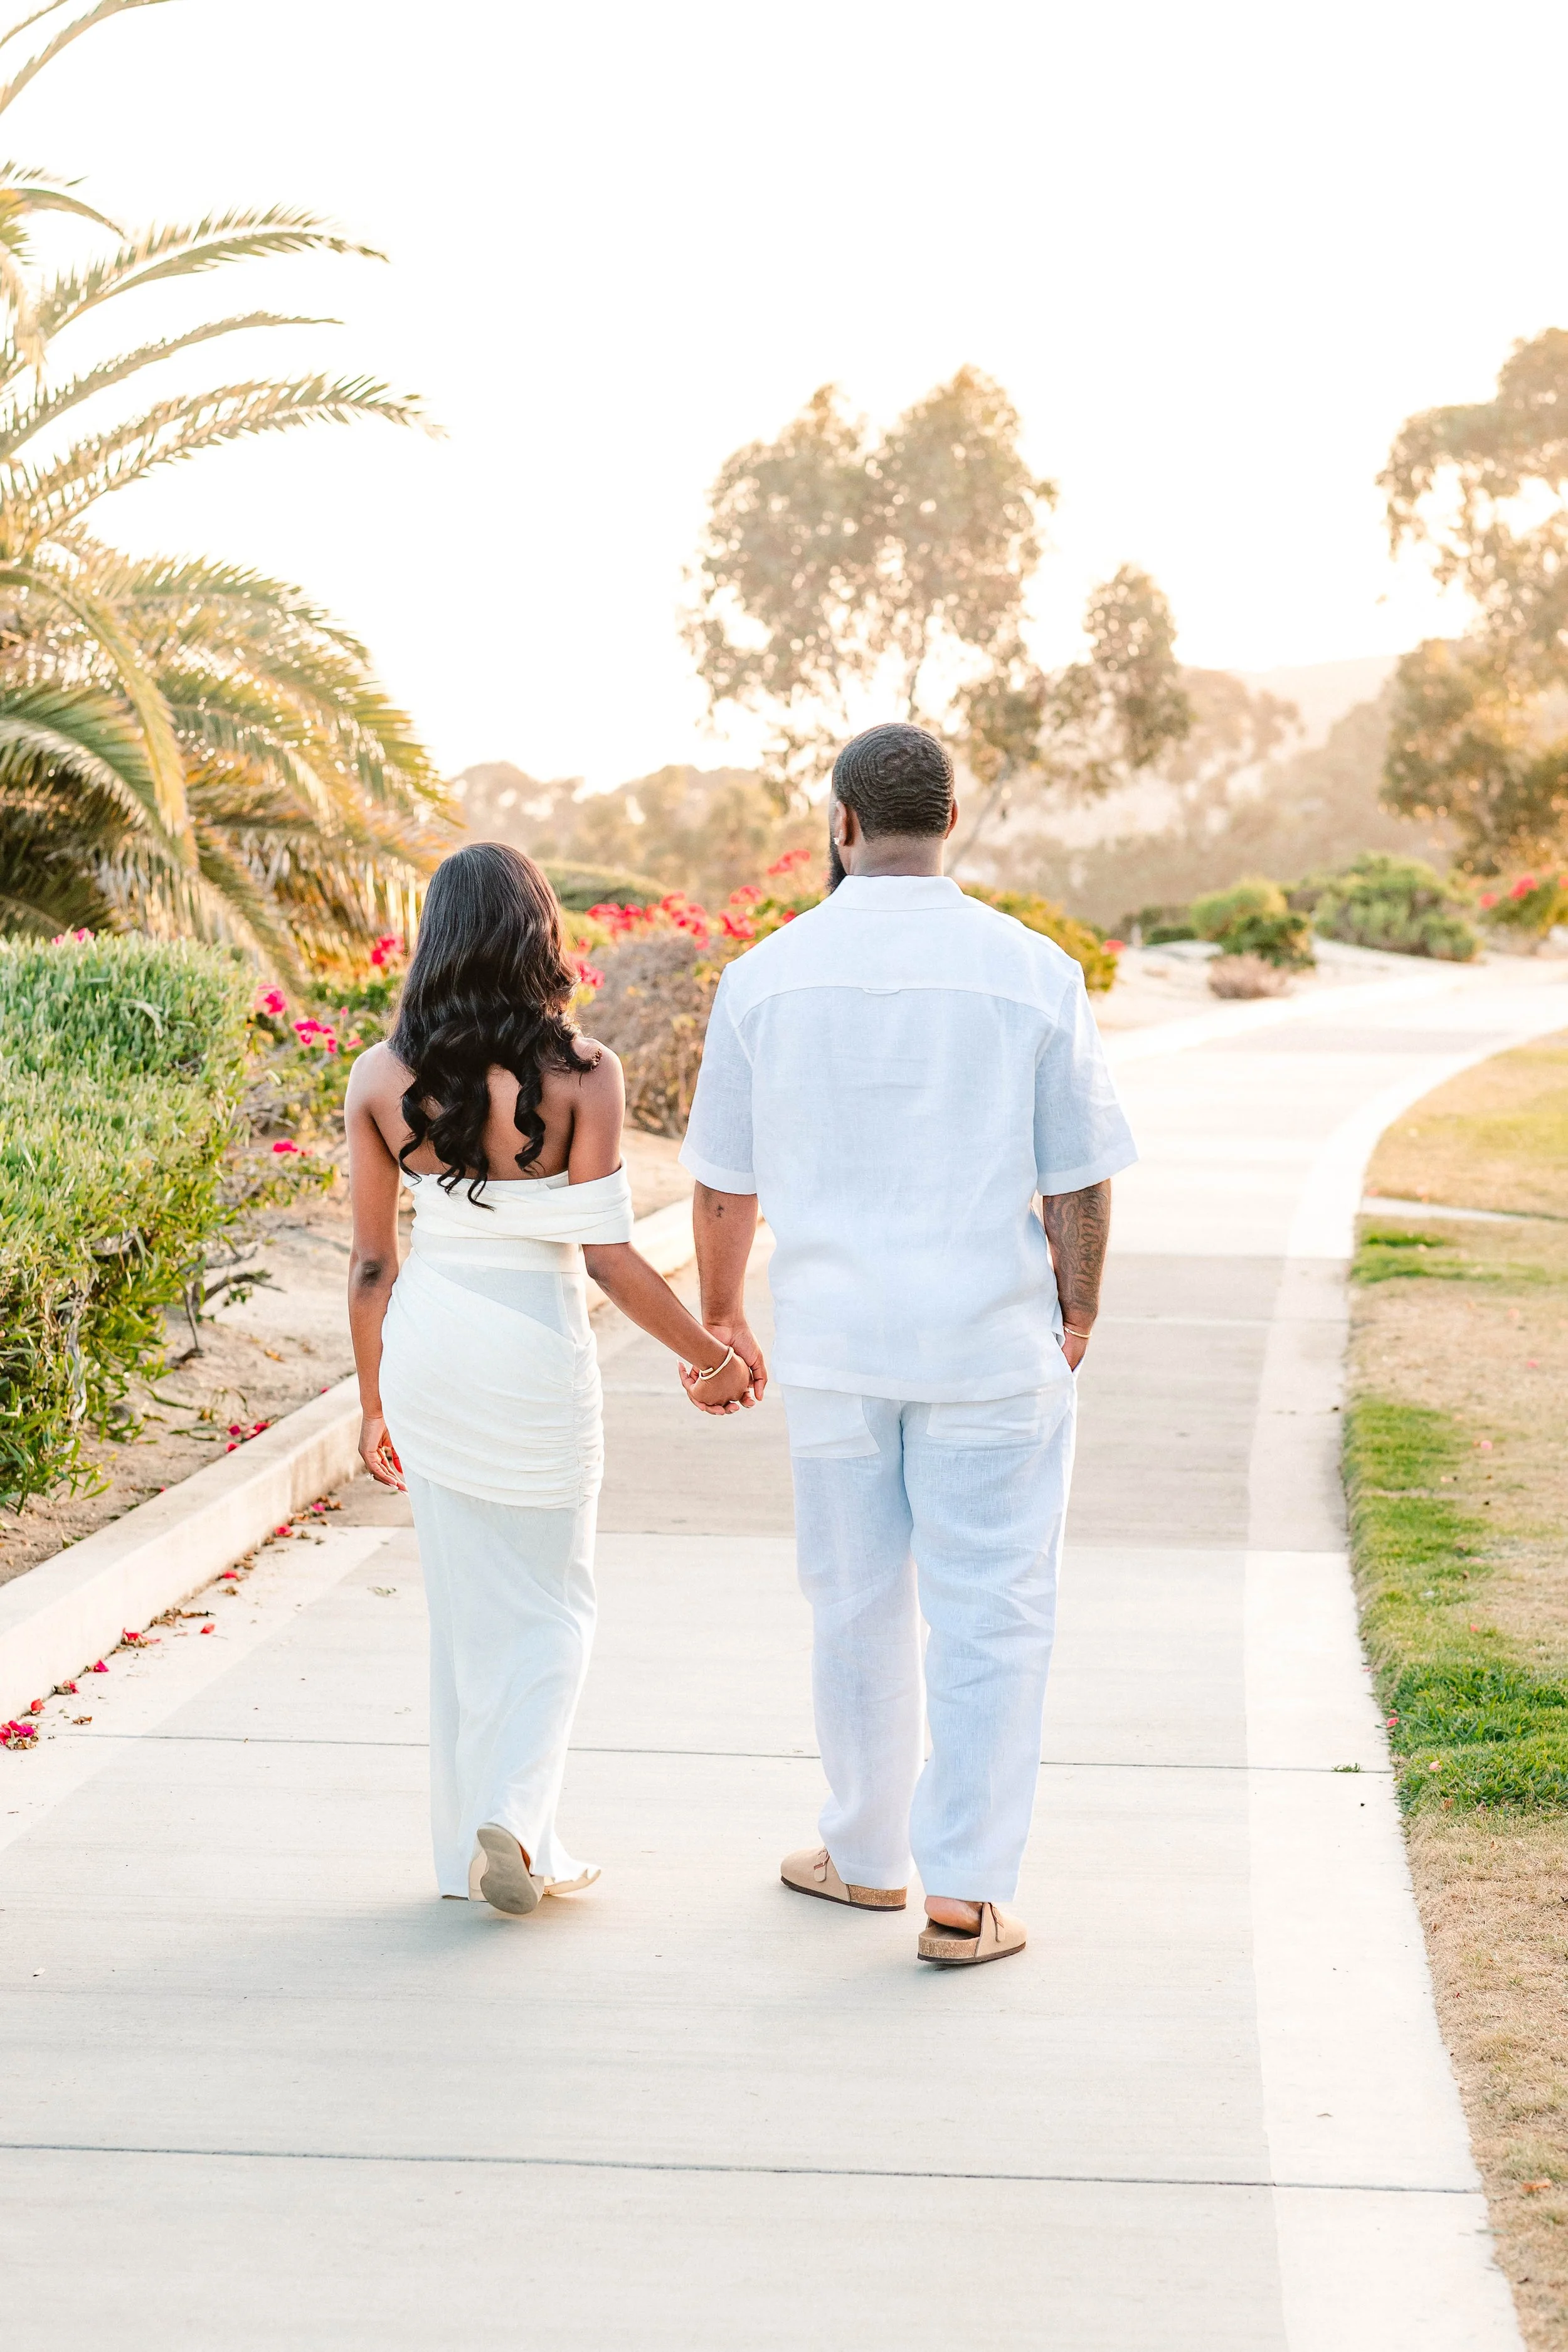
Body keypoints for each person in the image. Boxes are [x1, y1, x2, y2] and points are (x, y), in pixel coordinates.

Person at [680, 722, 1136, 1968]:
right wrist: (1076, 1310)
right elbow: (1077, 1176)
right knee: (991, 1606)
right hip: (988, 1342)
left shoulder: (764, 976)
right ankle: (967, 1893)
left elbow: (723, 1183)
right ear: (948, 824)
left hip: (832, 1348)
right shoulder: (1028, 969)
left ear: (839, 824)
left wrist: (722, 1320)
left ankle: (865, 1856)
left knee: (852, 1603)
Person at [344, 842, 756, 1918]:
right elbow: (611, 1258)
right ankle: (518, 1821)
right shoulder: (587, 1073)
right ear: (540, 933)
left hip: (431, 1347)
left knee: (466, 1614)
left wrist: (373, 1400)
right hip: (533, 1349)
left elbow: (374, 1264)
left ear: (435, 935)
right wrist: (709, 1358)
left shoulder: (383, 1079)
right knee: (558, 1603)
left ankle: (468, 1839)